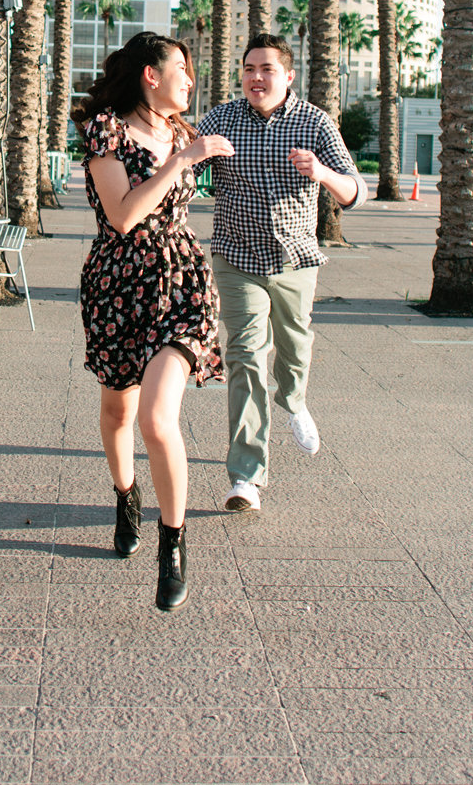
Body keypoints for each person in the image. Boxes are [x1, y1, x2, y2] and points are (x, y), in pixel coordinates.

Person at [73, 31, 234, 612]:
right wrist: (184, 161)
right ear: (150, 74)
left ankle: (174, 544)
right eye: (182, 70)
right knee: (118, 409)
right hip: (119, 284)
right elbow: (121, 215)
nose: (190, 81)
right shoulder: (107, 130)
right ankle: (125, 495)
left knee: (158, 417)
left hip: (183, 281)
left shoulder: (185, 133)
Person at [197, 34, 367, 513]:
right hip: (237, 258)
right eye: (249, 68)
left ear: (288, 76)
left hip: (295, 261)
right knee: (245, 355)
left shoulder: (314, 122)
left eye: (267, 69)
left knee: (295, 344)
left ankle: (292, 400)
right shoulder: (224, 117)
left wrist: (323, 174)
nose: (256, 77)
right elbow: (184, 151)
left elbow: (356, 191)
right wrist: (196, 155)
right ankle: (246, 477)